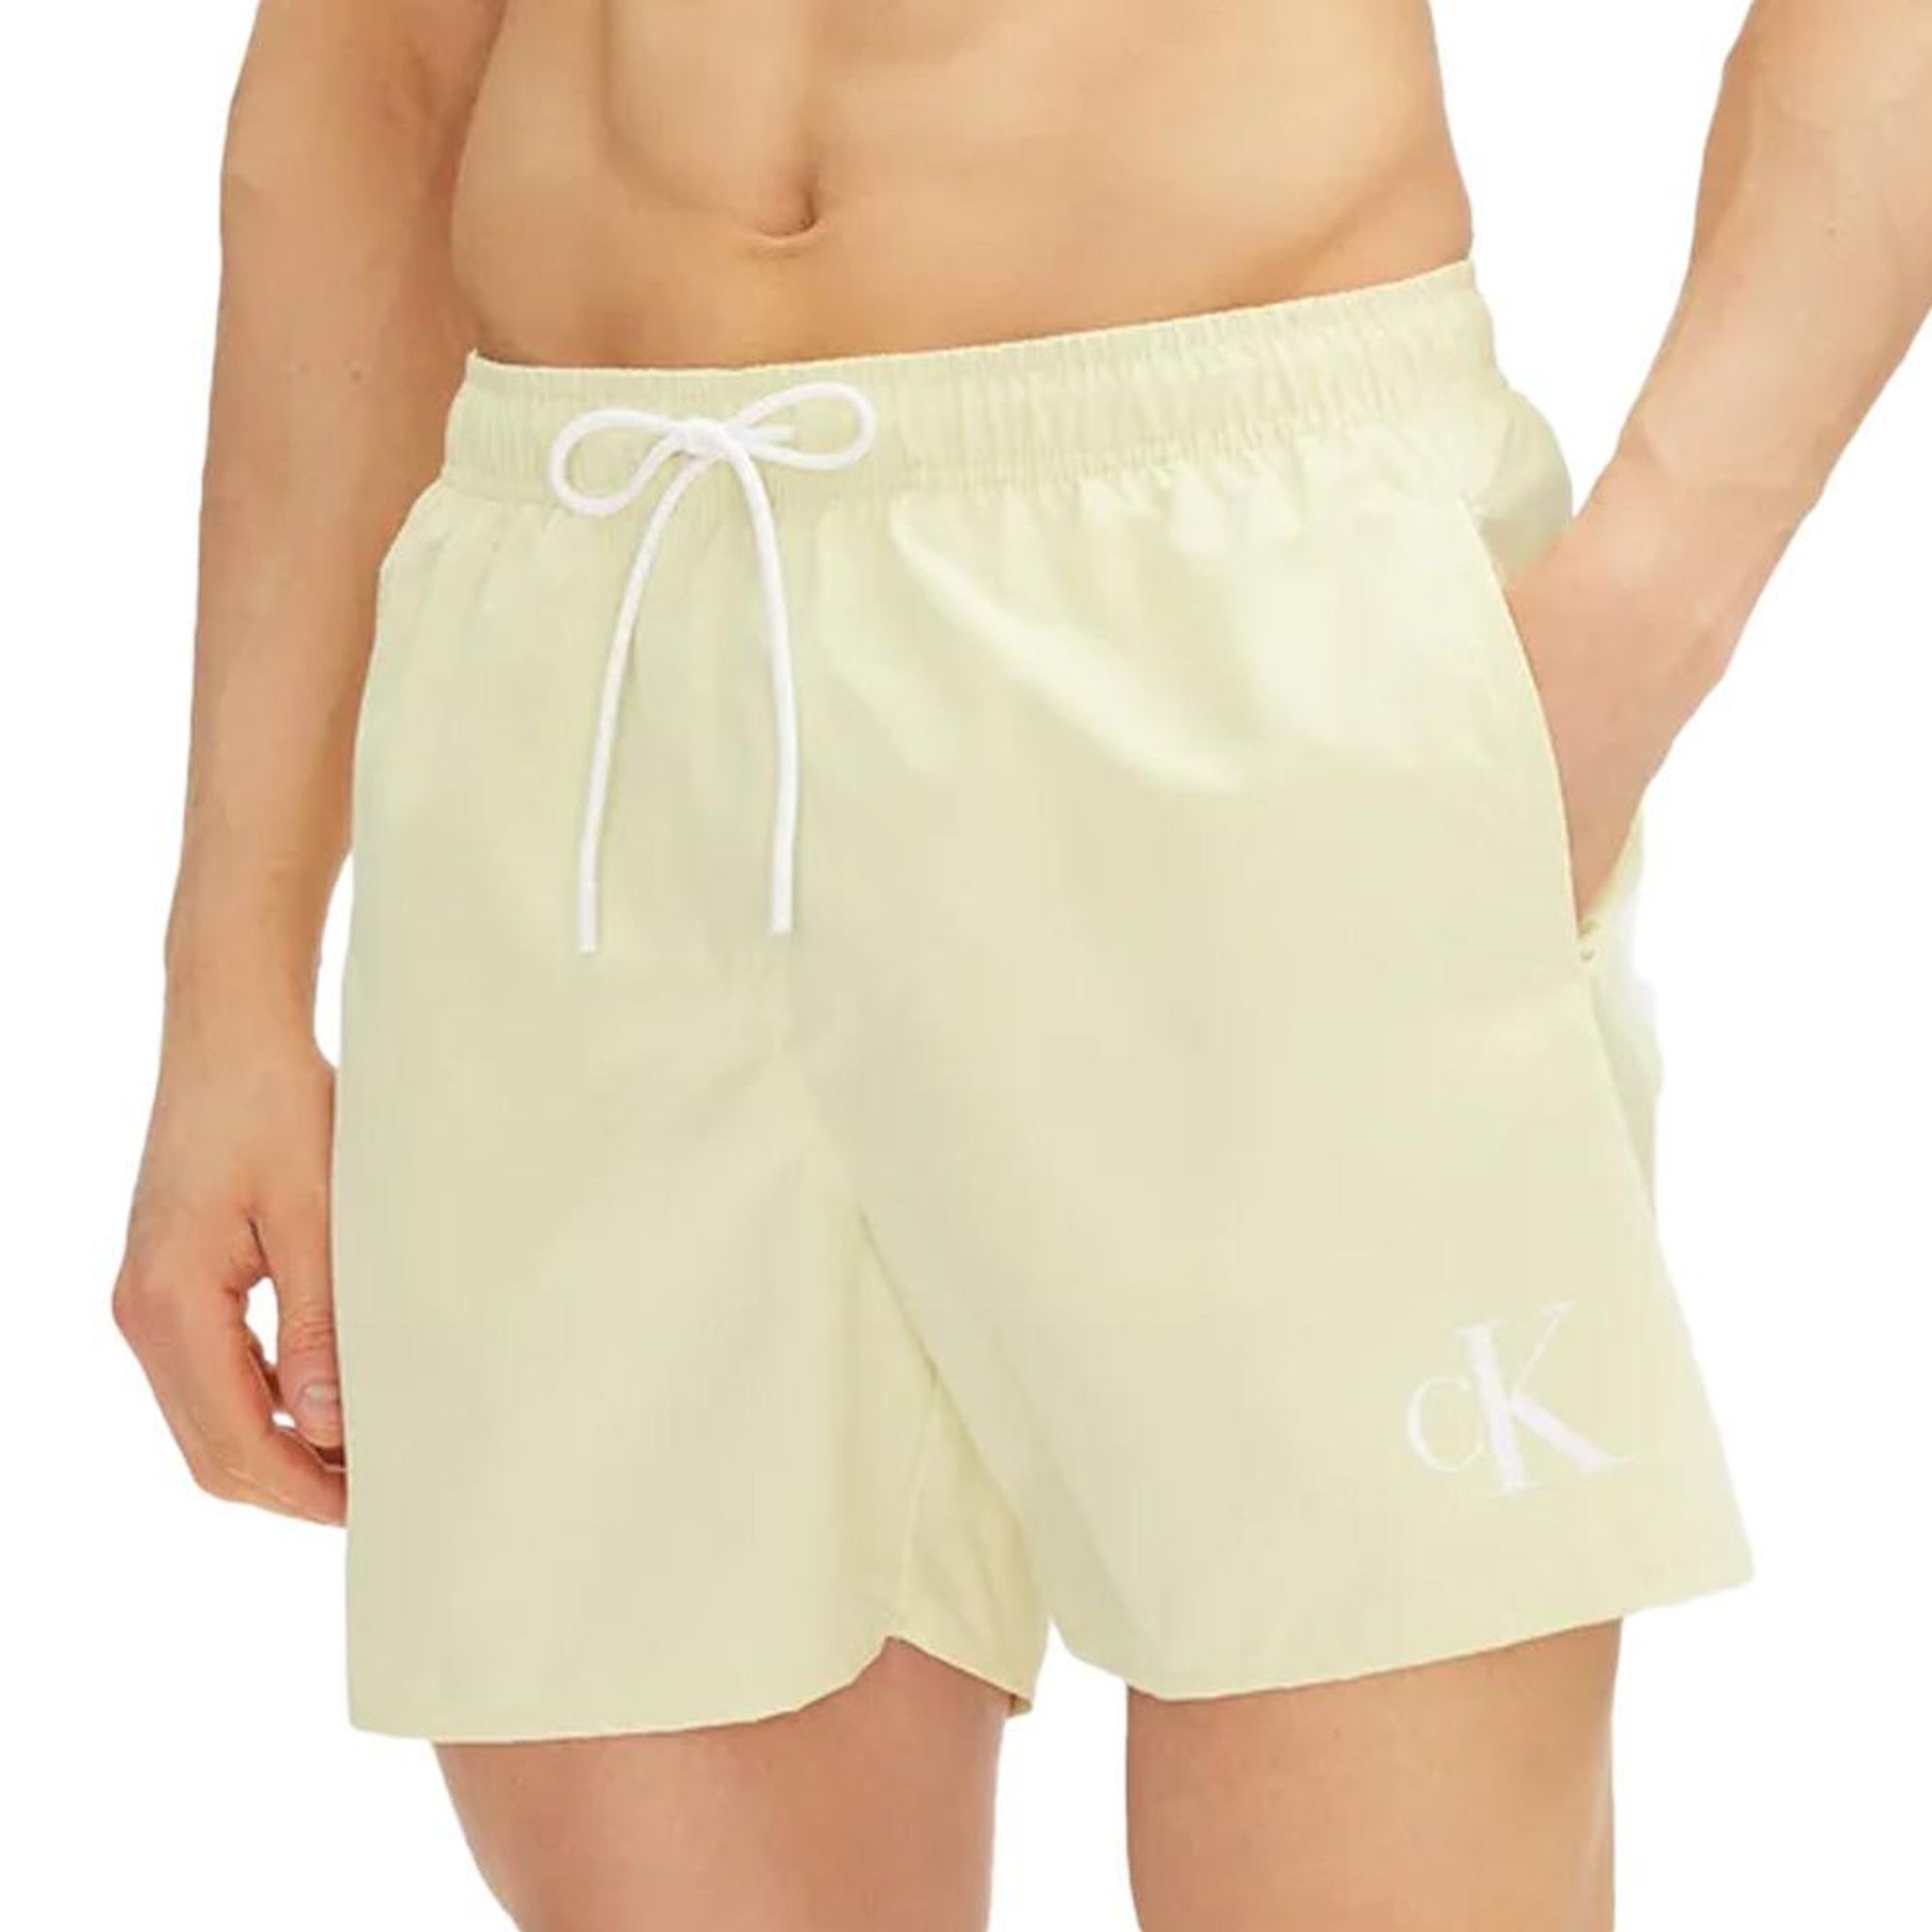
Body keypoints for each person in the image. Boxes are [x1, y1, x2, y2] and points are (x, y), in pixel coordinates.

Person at [112, 0, 1930, 1924]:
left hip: (1238, 604)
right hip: (585, 645)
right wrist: (230, 983)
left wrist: (1636, 624)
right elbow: (373, 70)